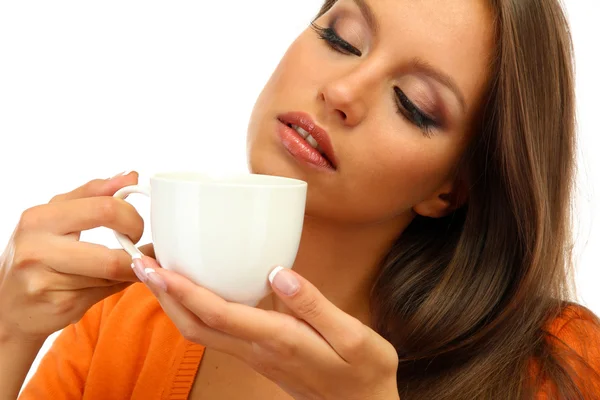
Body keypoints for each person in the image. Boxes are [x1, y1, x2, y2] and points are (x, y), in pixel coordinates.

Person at [1, 0, 599, 398]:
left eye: (413, 103)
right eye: (341, 38)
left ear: (451, 189)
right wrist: (9, 335)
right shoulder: (121, 328)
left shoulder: (559, 364)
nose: (342, 90)